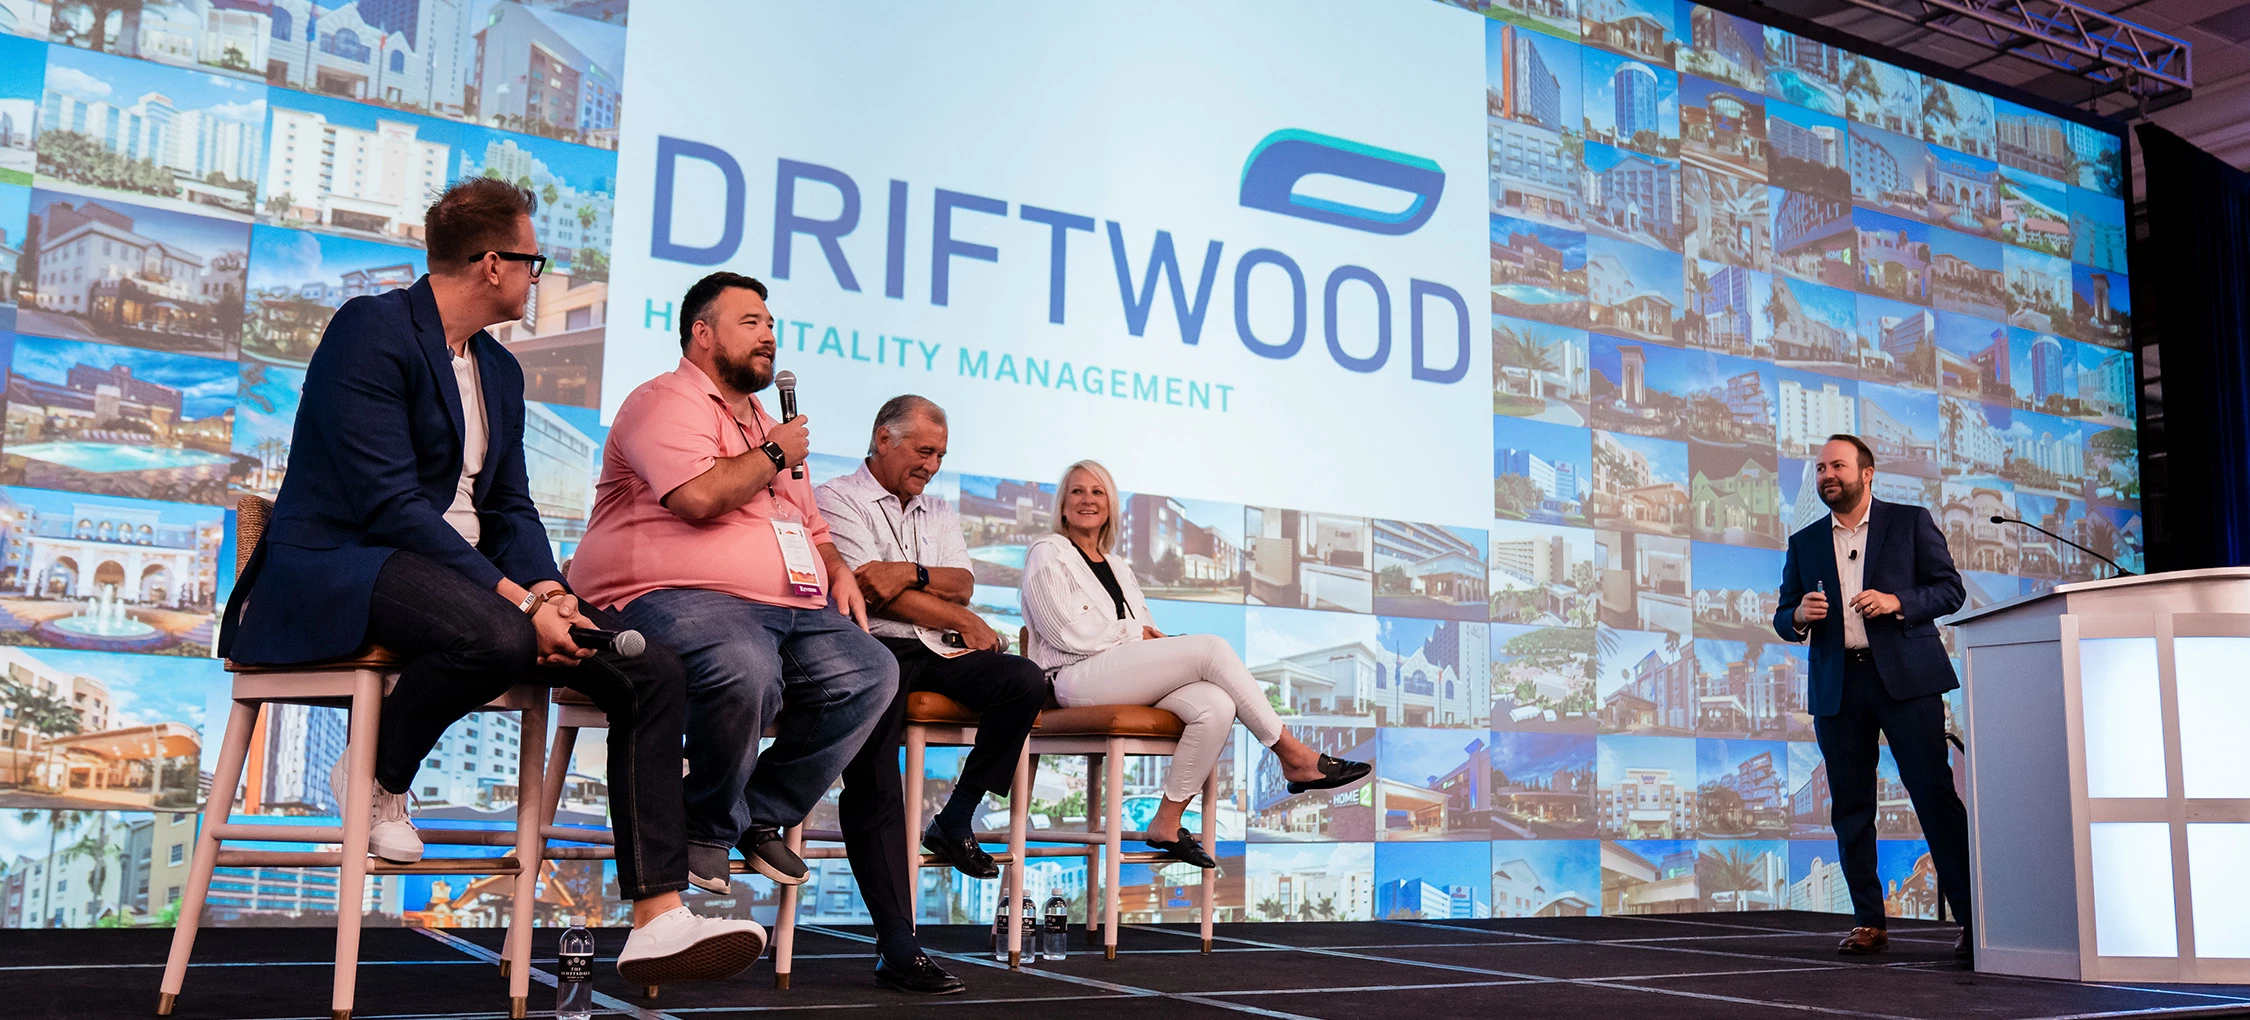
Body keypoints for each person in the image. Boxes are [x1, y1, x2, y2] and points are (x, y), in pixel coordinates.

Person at [218, 179, 765, 984]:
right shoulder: (370, 330)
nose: (537, 276)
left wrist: (548, 589)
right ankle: (374, 772)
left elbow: (509, 506)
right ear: (492, 263)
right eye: (533, 260)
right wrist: (516, 602)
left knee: (650, 669)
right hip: (344, 564)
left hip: (465, 578)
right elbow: (389, 503)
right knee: (498, 635)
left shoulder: (499, 371)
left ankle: (657, 917)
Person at [568, 272, 943, 991]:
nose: (769, 333)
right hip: (662, 594)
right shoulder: (663, 402)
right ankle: (708, 830)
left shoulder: (765, 425)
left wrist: (833, 563)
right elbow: (701, 497)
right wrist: (774, 453)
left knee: (872, 673)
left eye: (771, 322)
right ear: (702, 334)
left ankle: (746, 814)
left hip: (786, 606)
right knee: (744, 666)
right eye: (750, 321)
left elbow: (808, 522)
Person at [1020, 460, 1370, 867]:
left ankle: (1167, 822)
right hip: (1073, 681)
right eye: (1077, 491)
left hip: (1119, 675)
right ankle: (1293, 755)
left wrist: (1152, 642)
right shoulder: (1048, 552)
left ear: (1111, 506)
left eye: (1098, 492)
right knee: (1211, 648)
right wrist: (1137, 637)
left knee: (1217, 704)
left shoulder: (1119, 567)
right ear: (1062, 506)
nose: (1087, 500)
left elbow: (1144, 630)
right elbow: (1066, 632)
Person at [813, 394, 1046, 994]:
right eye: (923, 450)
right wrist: (953, 612)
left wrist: (911, 573)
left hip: (933, 647)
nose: (933, 465)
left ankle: (956, 817)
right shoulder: (837, 496)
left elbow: (962, 584)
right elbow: (868, 590)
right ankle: (897, 942)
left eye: (941, 454)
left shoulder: (937, 507)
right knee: (875, 777)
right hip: (869, 647)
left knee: (1022, 680)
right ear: (882, 439)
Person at [1773, 434, 1972, 961]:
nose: (1826, 475)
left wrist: (1896, 601)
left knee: (1934, 797)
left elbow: (1950, 590)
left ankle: (1977, 920)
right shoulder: (1805, 542)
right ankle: (1869, 922)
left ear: (1867, 473)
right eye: (1819, 469)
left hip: (1907, 680)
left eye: (1836, 465)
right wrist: (1797, 616)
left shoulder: (1909, 522)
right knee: (1851, 807)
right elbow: (1782, 614)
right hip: (1839, 685)